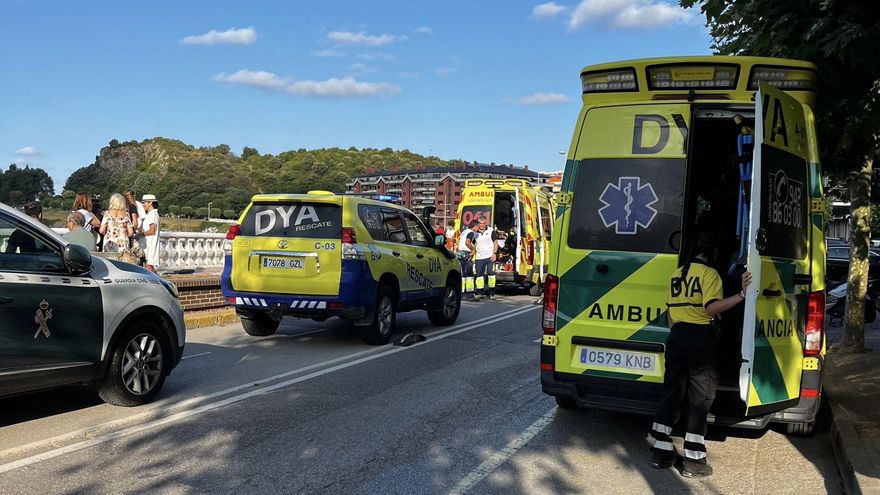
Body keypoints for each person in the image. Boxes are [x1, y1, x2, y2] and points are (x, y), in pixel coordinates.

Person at [649, 231, 752, 478]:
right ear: (713, 252)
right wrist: (741, 295)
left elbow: (671, 315)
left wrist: (681, 334)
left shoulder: (676, 274)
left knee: (672, 392)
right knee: (700, 397)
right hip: (700, 339)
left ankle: (660, 453)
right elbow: (712, 307)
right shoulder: (709, 274)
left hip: (677, 337)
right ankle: (694, 461)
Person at [473, 219, 499, 300]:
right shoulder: (475, 232)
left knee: (491, 274)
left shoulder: (491, 231)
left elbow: (495, 242)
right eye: (480, 223)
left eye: (483, 223)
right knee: (479, 276)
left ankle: (492, 293)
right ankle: (480, 292)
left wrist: (494, 253)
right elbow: (471, 243)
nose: (482, 225)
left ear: (486, 223)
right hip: (479, 257)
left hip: (489, 256)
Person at [138, 194, 161, 273]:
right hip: (148, 244)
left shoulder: (152, 214)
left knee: (148, 266)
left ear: (150, 203)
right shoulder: (152, 214)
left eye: (144, 202)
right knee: (148, 266)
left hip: (150, 244)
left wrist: (140, 235)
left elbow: (152, 230)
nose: (143, 205)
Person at [457, 220, 478, 301]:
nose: (477, 229)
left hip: (461, 254)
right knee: (469, 275)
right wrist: (473, 249)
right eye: (477, 227)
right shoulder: (471, 233)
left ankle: (461, 294)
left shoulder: (464, 231)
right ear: (475, 226)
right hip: (466, 254)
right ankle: (470, 295)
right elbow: (467, 242)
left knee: (463, 275)